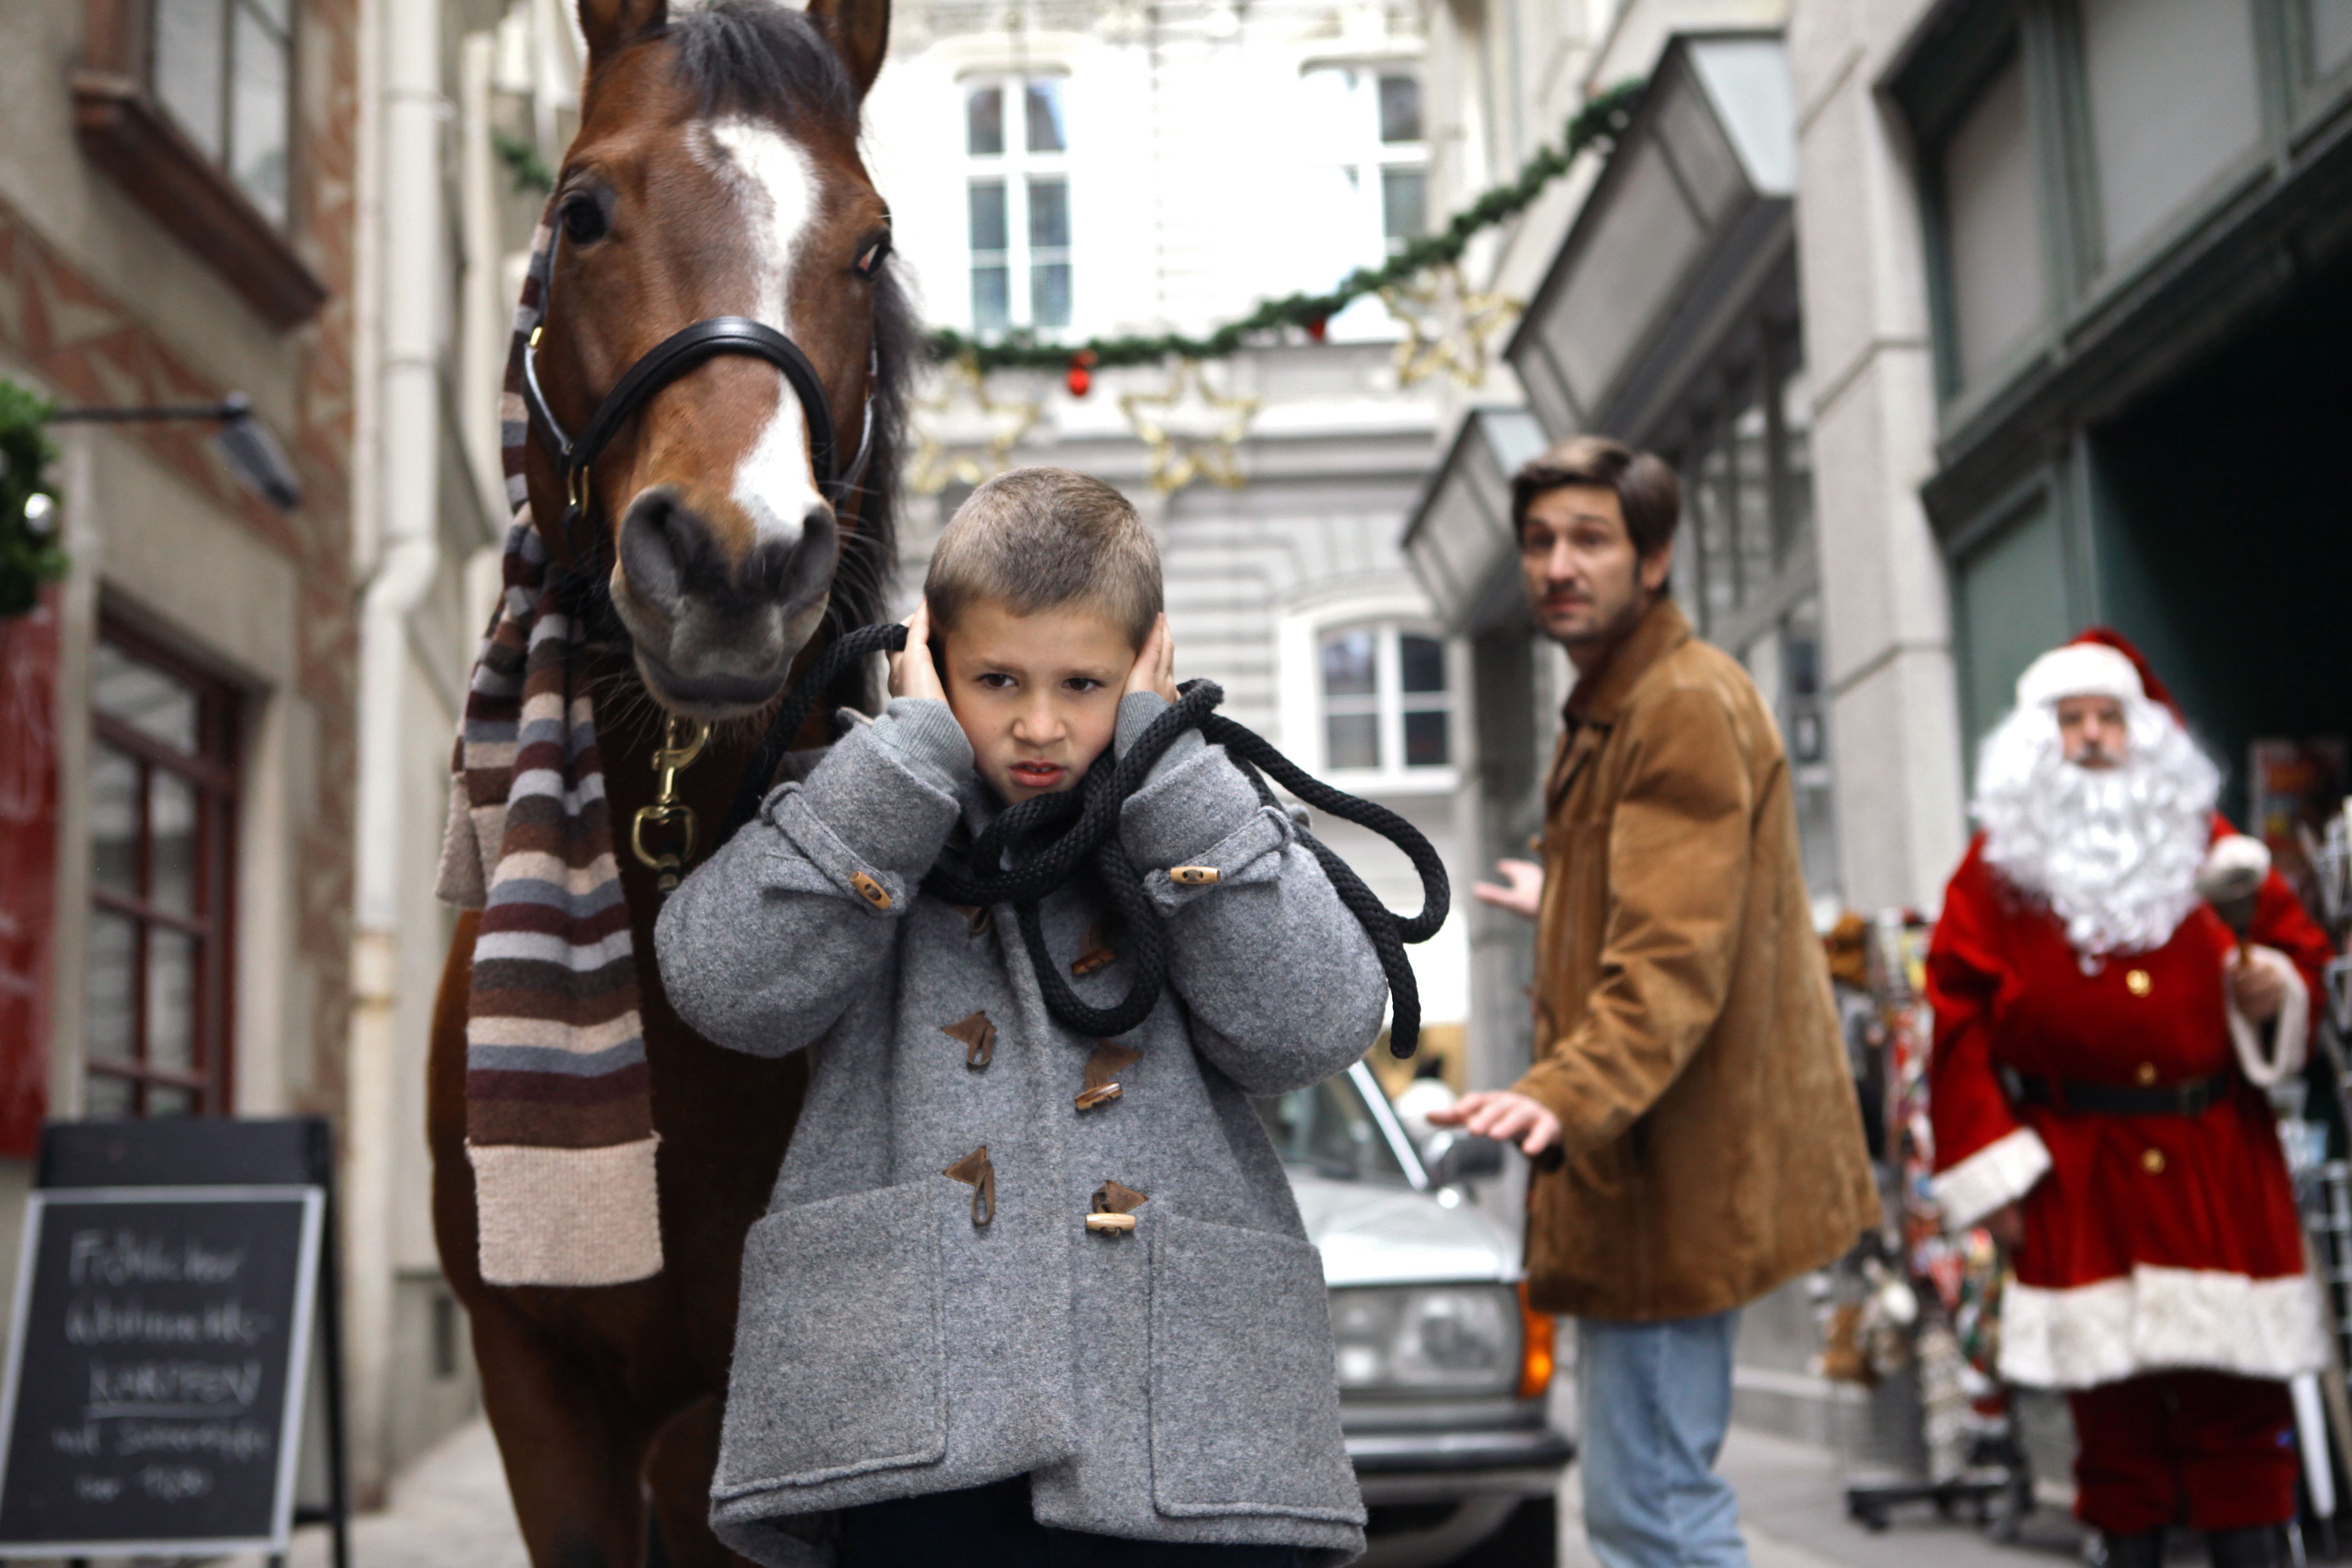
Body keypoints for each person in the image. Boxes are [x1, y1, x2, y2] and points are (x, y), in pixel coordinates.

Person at [655, 468, 1386, 1568]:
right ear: (932, 653)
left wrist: (1169, 768)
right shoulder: (868, 799)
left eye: (1084, 683)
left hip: (1190, 1442)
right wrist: (905, 758)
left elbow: (1319, 1023)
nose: (1039, 725)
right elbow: (721, 984)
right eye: (996, 678)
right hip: (912, 1431)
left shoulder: (1197, 805)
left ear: (1149, 661)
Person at [1431, 436, 1877, 1568]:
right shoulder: (1631, 700)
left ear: (1658, 557)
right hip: (1656, 1174)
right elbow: (1674, 900)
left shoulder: (1675, 704)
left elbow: (1675, 959)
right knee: (1652, 1503)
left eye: (1590, 539)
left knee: (1656, 1515)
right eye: (1538, 542)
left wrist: (1560, 1093)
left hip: (1671, 1178)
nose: (1556, 566)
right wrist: (1568, 896)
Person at [1925, 631, 2333, 1568]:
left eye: (2111, 718)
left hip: (2216, 1159)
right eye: (2073, 721)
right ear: (2038, 742)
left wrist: (2276, 985)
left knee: (2243, 1410)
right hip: (2077, 1171)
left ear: (2145, 736)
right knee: (2114, 1426)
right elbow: (1956, 1030)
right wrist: (2001, 1182)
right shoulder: (1993, 875)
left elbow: (2300, 955)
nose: (2095, 738)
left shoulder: (2216, 849)